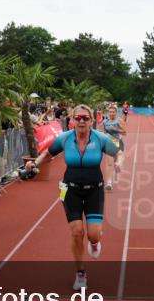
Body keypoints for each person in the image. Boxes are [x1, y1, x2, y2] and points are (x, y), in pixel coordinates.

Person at [25, 104, 118, 290]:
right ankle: (80, 273)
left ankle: (94, 241)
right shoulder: (65, 138)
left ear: (92, 120)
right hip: (70, 190)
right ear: (72, 121)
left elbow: (118, 152)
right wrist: (33, 163)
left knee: (92, 233)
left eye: (85, 118)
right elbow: (48, 153)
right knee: (76, 232)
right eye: (78, 118)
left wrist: (120, 163)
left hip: (94, 190)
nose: (82, 121)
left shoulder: (101, 139)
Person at [101, 105, 127, 190]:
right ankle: (109, 183)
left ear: (116, 113)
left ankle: (117, 167)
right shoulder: (105, 122)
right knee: (109, 163)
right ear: (108, 113)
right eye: (110, 112)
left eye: (113, 112)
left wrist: (116, 129)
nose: (112, 113)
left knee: (118, 160)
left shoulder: (119, 121)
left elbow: (125, 132)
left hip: (118, 142)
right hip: (109, 143)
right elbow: (104, 132)